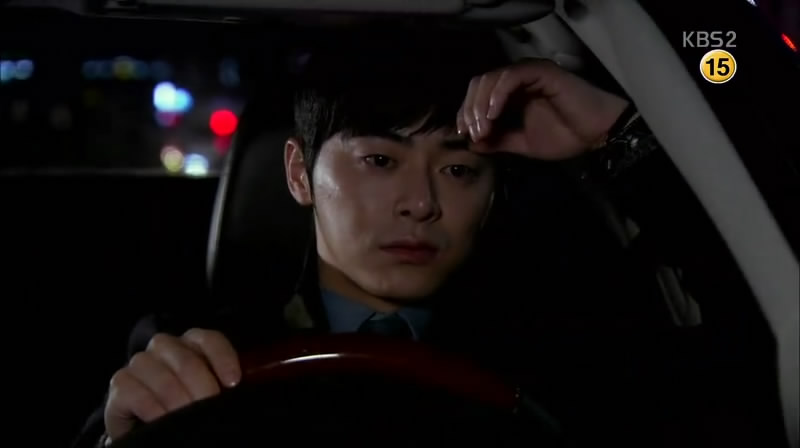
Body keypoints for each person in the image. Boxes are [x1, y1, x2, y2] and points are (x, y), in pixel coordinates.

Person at [72, 26, 746, 448]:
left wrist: (617, 138)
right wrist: (115, 435)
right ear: (300, 174)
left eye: (458, 170)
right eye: (379, 160)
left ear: (494, 193)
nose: (422, 203)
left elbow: (755, 337)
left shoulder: (566, 352)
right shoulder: (198, 351)